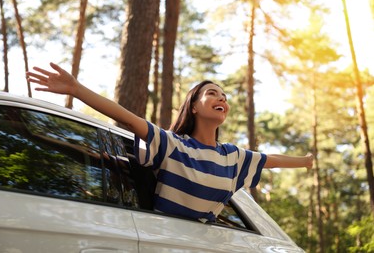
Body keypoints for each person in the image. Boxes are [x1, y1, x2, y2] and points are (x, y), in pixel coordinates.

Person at [26, 62, 313, 223]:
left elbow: (272, 160)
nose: (222, 98)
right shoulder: (173, 145)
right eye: (213, 93)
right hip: (163, 238)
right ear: (194, 107)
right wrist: (77, 89)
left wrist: (308, 162)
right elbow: (126, 117)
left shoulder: (233, 157)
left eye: (224, 96)